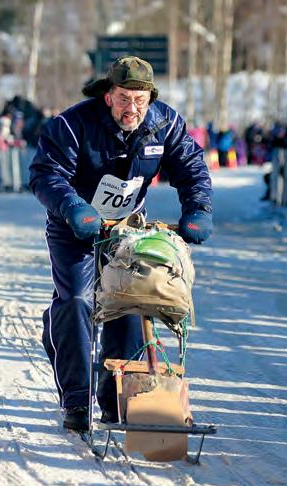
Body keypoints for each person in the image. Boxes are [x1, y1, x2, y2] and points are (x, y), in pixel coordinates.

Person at [29, 56, 213, 432]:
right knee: (79, 301)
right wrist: (74, 207)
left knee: (132, 300)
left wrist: (198, 209)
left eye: (140, 100)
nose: (133, 109)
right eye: (125, 98)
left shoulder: (163, 122)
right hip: (74, 225)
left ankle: (119, 399)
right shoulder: (72, 124)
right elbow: (46, 174)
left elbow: (192, 166)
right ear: (108, 95)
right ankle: (77, 400)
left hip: (128, 228)